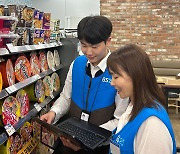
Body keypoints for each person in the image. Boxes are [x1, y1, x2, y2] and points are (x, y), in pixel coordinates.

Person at [40, 15, 129, 153]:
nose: (88, 52)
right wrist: (53, 112)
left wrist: (88, 139)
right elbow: (66, 97)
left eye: (94, 46)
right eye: (84, 45)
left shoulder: (119, 72)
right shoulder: (77, 64)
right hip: (69, 138)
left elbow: (120, 119)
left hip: (100, 146)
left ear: (108, 41)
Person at [107, 44, 176, 154]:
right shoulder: (132, 108)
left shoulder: (152, 124)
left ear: (135, 76)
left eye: (116, 77)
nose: (112, 83)